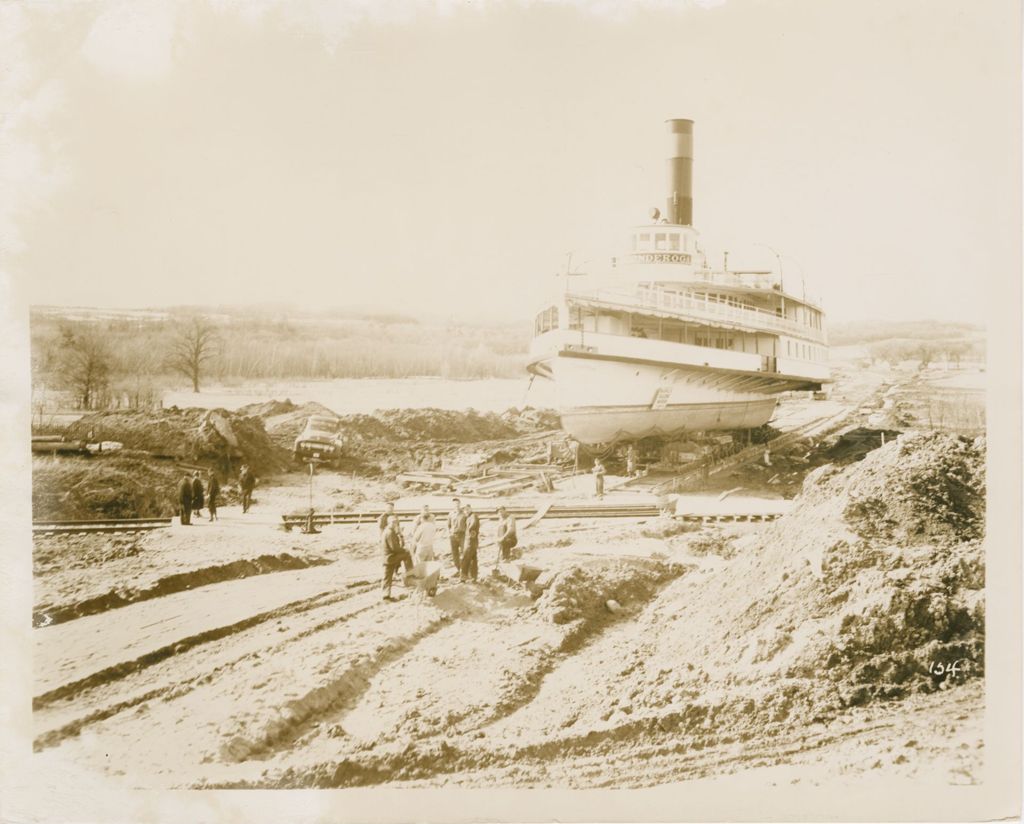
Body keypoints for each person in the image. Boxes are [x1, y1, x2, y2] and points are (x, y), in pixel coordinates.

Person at [381, 514, 413, 601]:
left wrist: (400, 534)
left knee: (387, 577)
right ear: (389, 523)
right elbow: (394, 548)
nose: (395, 524)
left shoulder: (389, 530)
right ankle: (410, 574)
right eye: (393, 522)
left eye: (396, 522)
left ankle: (386, 595)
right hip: (390, 558)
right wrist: (404, 550)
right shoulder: (390, 533)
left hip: (388, 557)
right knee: (407, 554)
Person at [460, 504, 480, 582]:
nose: (466, 511)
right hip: (472, 541)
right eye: (465, 510)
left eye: (467, 509)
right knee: (473, 559)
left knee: (466, 558)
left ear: (471, 509)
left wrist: (469, 530)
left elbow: (473, 525)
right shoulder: (469, 517)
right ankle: (474, 577)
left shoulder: (473, 516)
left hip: (470, 542)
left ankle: (463, 577)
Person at [447, 497, 465, 570]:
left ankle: (465, 569)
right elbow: (448, 525)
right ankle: (458, 569)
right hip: (453, 536)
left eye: (457, 503)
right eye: (454, 504)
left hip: (462, 535)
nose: (456, 505)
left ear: (460, 504)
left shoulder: (464, 513)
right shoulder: (451, 514)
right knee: (455, 554)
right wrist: (449, 533)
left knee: (464, 552)